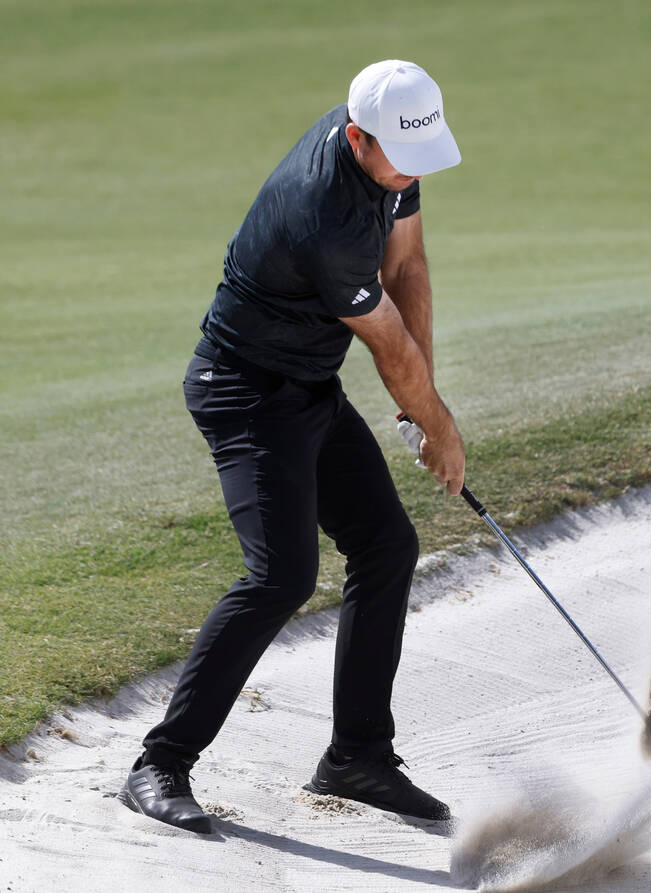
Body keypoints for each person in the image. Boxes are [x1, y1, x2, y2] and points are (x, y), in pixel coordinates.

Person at [118, 60, 466, 834]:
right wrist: (436, 425)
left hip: (305, 385)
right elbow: (385, 343)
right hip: (243, 389)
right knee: (281, 574)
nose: (413, 170)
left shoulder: (389, 150)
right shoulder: (325, 212)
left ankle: (358, 757)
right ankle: (160, 761)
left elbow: (406, 263)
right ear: (355, 137)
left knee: (386, 543)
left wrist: (421, 407)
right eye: (401, 156)